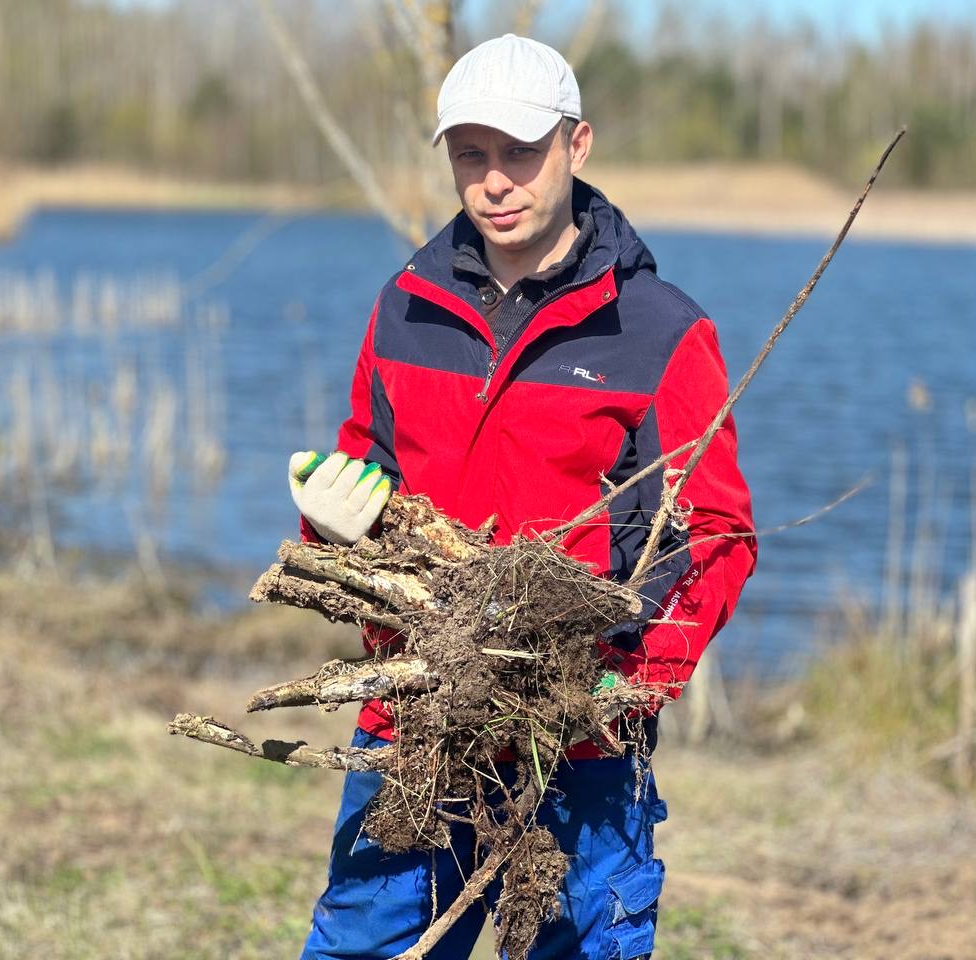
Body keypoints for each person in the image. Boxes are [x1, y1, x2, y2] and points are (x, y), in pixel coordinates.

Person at [288, 33, 755, 960]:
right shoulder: (405, 305)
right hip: (415, 722)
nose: (494, 181)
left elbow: (714, 535)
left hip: (578, 741)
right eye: (471, 155)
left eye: (519, 153)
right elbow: (367, 483)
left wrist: (622, 687)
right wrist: (327, 527)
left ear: (577, 148)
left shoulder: (659, 331)